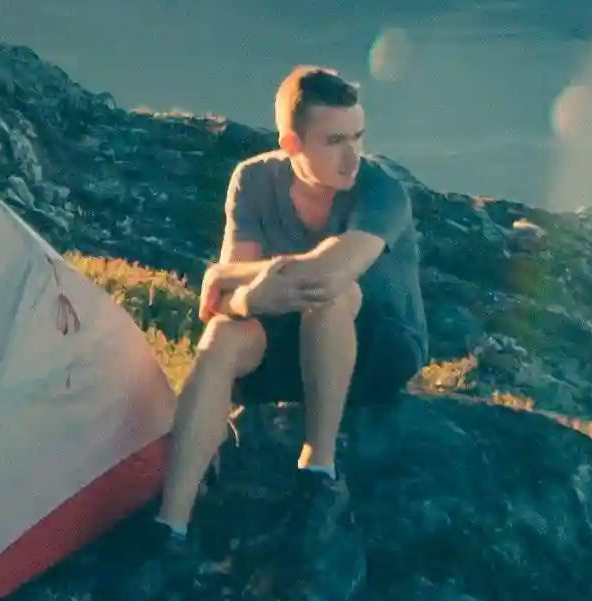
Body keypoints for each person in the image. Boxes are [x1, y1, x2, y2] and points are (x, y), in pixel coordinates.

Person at [152, 63, 421, 559]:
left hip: (378, 353)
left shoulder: (383, 192)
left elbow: (323, 275)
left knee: (331, 294)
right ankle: (170, 525)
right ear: (292, 144)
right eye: (334, 140)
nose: (351, 156)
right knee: (220, 340)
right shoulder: (253, 179)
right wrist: (247, 296)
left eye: (358, 136)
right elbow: (224, 305)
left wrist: (236, 284)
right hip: (284, 345)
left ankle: (317, 471)